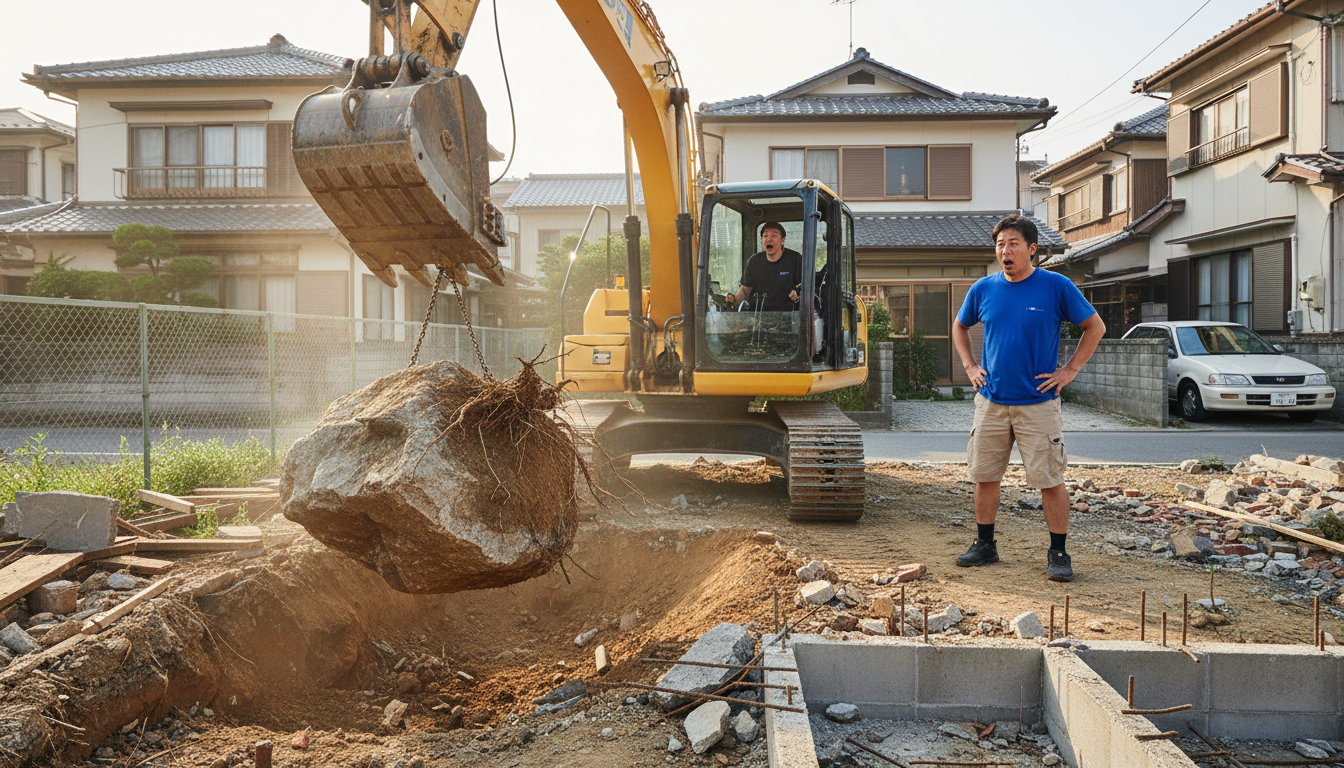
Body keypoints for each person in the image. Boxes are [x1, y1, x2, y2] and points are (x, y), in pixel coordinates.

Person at [951, 214, 1105, 582]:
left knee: (1050, 478)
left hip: (1038, 403)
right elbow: (960, 325)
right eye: (1000, 244)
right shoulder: (984, 289)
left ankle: (1058, 551)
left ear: (1031, 249)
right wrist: (971, 366)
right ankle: (985, 544)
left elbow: (1094, 326)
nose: (1005, 250)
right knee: (985, 475)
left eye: (1013, 244)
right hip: (991, 400)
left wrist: (1068, 371)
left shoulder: (1056, 286)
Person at [726, 221, 802, 312]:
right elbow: (744, 291)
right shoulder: (754, 261)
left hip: (788, 317)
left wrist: (798, 295)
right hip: (759, 318)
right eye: (765, 236)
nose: (769, 239)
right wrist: (731, 302)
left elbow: (803, 288)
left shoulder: (795, 259)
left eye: (774, 236)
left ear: (782, 240)